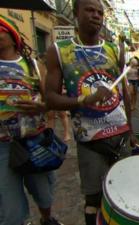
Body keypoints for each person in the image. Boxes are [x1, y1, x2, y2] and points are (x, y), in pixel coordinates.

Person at [45, 0, 136, 224]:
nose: (96, 15)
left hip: (121, 135)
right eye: (90, 10)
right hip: (90, 140)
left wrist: (131, 130)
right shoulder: (59, 50)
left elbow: (124, 93)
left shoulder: (115, 49)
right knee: (93, 197)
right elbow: (50, 98)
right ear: (76, 13)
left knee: (124, 192)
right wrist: (86, 99)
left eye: (100, 12)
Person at [0, 15, 62, 225]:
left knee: (44, 192)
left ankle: (46, 219)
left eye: (1, 29)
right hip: (2, 146)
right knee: (10, 207)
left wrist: (43, 107)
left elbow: (50, 100)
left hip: (33, 141)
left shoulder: (33, 65)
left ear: (13, 35)